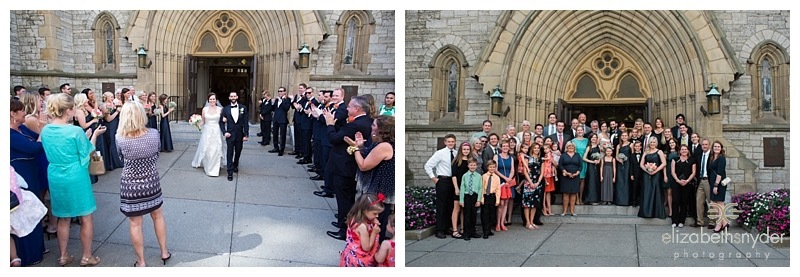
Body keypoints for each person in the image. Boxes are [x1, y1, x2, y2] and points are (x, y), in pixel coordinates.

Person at [40, 93, 105, 266]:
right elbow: (87, 154)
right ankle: (86, 256)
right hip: (75, 174)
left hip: (55, 174)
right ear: (68, 110)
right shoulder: (75, 131)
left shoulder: (45, 130)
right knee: (86, 216)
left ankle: (63, 255)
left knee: (63, 217)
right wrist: (94, 136)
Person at [115, 101, 171, 267]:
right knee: (158, 215)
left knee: (135, 223)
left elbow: (120, 159)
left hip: (131, 185)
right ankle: (164, 252)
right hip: (151, 181)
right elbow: (156, 154)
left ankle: (142, 261)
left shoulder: (120, 138)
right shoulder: (153, 133)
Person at [325, 96, 373, 241]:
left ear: (357, 109)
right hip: (351, 165)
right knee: (349, 197)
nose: (347, 108)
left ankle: (344, 228)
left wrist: (329, 124)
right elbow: (342, 136)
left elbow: (334, 138)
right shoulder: (366, 121)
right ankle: (344, 220)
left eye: (350, 106)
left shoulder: (355, 125)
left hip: (344, 166)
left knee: (344, 198)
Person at [345, 115, 395, 242]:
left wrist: (355, 148)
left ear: (381, 129)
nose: (371, 127)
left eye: (374, 125)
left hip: (378, 192)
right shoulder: (379, 143)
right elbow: (370, 156)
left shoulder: (385, 146)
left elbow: (364, 165)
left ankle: (371, 250)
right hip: (374, 188)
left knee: (373, 224)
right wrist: (361, 146)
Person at [10, 99, 46, 266]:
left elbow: (36, 139)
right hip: (20, 178)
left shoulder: (22, 128)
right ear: (13, 114)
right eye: (22, 110)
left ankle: (38, 248)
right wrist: (44, 128)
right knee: (24, 215)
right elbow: (35, 147)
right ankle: (28, 254)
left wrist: (41, 127)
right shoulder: (9, 134)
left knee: (34, 211)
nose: (25, 113)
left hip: (31, 173)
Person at [424, 134, 456, 239]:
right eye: (449, 141)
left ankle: (447, 227)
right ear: (445, 142)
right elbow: (428, 165)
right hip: (442, 181)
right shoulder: (440, 153)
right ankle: (440, 230)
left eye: (452, 141)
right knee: (441, 206)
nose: (451, 143)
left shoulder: (456, 153)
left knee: (450, 206)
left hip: (453, 181)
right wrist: (434, 178)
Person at [339, 193, 384, 267]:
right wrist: (374, 232)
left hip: (351, 254)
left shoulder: (354, 218)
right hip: (360, 259)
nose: (377, 216)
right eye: (375, 213)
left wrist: (372, 222)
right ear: (364, 210)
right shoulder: (362, 226)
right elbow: (366, 247)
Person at [191, 94, 226, 177]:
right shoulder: (205, 109)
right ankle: (208, 167)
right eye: (210, 99)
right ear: (208, 100)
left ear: (216, 100)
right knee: (207, 149)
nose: (212, 101)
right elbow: (203, 121)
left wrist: (225, 120)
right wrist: (196, 123)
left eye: (214, 99)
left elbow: (222, 120)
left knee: (216, 149)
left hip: (216, 130)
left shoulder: (220, 109)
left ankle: (215, 169)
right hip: (207, 130)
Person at [221, 91, 249, 181]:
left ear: (237, 97)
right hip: (230, 134)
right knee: (229, 152)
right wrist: (224, 132)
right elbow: (221, 122)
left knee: (238, 151)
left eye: (234, 96)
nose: (233, 97)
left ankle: (235, 164)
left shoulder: (243, 108)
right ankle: (230, 171)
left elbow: (245, 122)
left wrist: (246, 134)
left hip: (240, 134)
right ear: (229, 98)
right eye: (231, 96)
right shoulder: (225, 109)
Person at [638, 137, 667, 219]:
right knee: (646, 191)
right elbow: (641, 164)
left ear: (656, 143)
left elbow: (664, 163)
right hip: (646, 175)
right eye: (651, 142)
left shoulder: (659, 152)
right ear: (649, 143)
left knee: (655, 190)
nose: (652, 144)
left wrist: (655, 170)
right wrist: (647, 171)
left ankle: (656, 212)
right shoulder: (646, 152)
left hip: (656, 174)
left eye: (654, 142)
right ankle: (646, 212)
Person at [448, 142, 471, 238]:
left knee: (463, 209)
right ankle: (454, 230)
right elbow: (453, 176)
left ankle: (462, 228)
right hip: (458, 187)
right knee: (456, 208)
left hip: (467, 188)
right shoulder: (456, 161)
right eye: (464, 149)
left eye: (467, 149)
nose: (466, 151)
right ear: (461, 150)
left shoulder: (470, 161)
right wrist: (456, 188)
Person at [671, 144, 696, 228]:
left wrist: (687, 180)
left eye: (685, 149)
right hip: (676, 183)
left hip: (687, 183)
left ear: (688, 150)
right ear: (679, 151)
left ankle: (682, 221)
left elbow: (693, 172)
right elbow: (672, 171)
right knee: (675, 201)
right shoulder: (675, 160)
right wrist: (677, 180)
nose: (684, 151)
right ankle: (674, 221)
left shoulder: (692, 160)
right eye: (682, 149)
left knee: (684, 202)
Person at [459, 158, 483, 240]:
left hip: (475, 196)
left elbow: (480, 188)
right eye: (471, 165)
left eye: (474, 165)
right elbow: (462, 188)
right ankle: (466, 233)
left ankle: (473, 232)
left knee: (473, 215)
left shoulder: (479, 176)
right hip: (467, 196)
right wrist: (461, 200)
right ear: (468, 166)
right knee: (467, 215)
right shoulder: (465, 176)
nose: (472, 166)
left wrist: (478, 200)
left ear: (476, 166)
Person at [493, 140, 514, 232]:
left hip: (508, 182)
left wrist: (509, 179)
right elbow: (495, 169)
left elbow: (512, 170)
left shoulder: (511, 158)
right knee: (501, 203)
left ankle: (502, 223)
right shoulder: (497, 156)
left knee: (506, 203)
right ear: (501, 147)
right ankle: (497, 223)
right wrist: (505, 178)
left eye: (507, 146)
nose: (505, 148)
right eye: (504, 146)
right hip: (500, 181)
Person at [522, 143, 543, 229]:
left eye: (538, 148)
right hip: (528, 182)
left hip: (537, 183)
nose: (537, 150)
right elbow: (525, 171)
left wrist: (538, 182)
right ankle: (527, 222)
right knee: (527, 204)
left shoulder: (541, 159)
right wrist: (530, 182)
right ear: (532, 149)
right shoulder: (528, 158)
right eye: (535, 148)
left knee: (534, 204)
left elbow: (542, 172)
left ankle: (532, 221)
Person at [101, 92, 124, 170]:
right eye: (111, 97)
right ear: (106, 97)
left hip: (115, 125)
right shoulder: (104, 105)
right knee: (111, 143)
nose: (112, 98)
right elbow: (108, 119)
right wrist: (117, 112)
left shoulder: (113, 104)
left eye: (112, 96)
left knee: (115, 143)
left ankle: (116, 160)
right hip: (110, 126)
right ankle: (112, 163)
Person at [708, 141, 728, 233]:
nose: (716, 148)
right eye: (715, 146)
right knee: (714, 203)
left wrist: (716, 185)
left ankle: (719, 224)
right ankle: (725, 222)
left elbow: (720, 173)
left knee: (719, 203)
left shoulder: (721, 158)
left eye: (718, 146)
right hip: (713, 182)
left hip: (719, 183)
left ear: (721, 148)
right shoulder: (712, 157)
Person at [693, 138, 712, 228]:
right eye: (703, 145)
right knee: (699, 201)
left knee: (710, 202)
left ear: (709, 145)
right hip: (700, 180)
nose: (704, 146)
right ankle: (700, 222)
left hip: (708, 181)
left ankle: (712, 222)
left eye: (706, 144)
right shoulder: (699, 155)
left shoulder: (712, 156)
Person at [558, 141, 581, 216]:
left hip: (575, 176)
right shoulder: (563, 155)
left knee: (574, 193)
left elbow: (581, 166)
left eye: (572, 146)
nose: (571, 147)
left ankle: (572, 211)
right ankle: (564, 211)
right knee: (566, 193)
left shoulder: (577, 155)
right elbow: (560, 165)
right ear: (566, 147)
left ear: (574, 148)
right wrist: (566, 172)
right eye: (569, 146)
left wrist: (577, 173)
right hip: (565, 176)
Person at [481, 160, 501, 239]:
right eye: (490, 167)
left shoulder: (497, 178)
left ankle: (489, 229)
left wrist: (497, 200)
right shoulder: (484, 176)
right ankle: (485, 231)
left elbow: (498, 189)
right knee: (485, 214)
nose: (492, 168)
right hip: (485, 196)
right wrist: (482, 199)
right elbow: (482, 188)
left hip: (492, 196)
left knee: (491, 214)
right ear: (487, 167)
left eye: (493, 167)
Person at [269, 87, 291, 156]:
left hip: (283, 119)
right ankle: (276, 147)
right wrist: (272, 103)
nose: (280, 93)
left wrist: (282, 101)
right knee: (275, 134)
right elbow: (272, 109)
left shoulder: (287, 99)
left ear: (285, 92)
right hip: (276, 118)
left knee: (282, 135)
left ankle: (282, 149)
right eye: (279, 91)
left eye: (281, 91)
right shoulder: (276, 100)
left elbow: (286, 108)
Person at [582, 133, 601, 205]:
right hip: (591, 166)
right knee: (591, 181)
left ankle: (596, 199)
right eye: (592, 137)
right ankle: (589, 199)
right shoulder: (588, 147)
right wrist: (592, 161)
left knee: (596, 182)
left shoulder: (599, 146)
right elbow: (584, 158)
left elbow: (601, 155)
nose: (594, 139)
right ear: (590, 138)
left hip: (597, 166)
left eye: (595, 137)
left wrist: (598, 160)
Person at [614, 131, 632, 206]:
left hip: (628, 164)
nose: (624, 137)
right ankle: (619, 200)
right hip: (620, 165)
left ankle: (626, 200)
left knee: (626, 181)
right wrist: (619, 159)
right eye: (623, 136)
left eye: (625, 135)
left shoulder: (631, 145)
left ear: (628, 136)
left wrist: (626, 159)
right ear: (621, 137)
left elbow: (632, 155)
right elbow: (616, 156)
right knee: (620, 182)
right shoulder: (619, 146)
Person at [571, 128, 588, 205]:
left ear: (583, 131)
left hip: (585, 161)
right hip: (576, 161)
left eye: (581, 130)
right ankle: (576, 198)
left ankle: (581, 198)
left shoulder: (587, 140)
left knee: (583, 180)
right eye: (578, 130)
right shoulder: (573, 141)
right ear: (576, 132)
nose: (580, 131)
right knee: (577, 180)